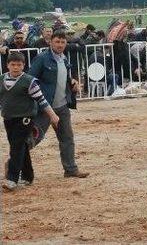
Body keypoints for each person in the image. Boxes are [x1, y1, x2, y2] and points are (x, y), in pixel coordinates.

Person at [29, 30, 89, 178]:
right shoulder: (42, 59)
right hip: (45, 108)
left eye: (63, 42)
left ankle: (70, 170)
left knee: (67, 138)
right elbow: (30, 80)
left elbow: (64, 79)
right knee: (34, 138)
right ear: (51, 42)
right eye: (57, 41)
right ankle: (13, 163)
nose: (60, 45)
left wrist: (73, 83)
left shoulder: (64, 59)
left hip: (62, 107)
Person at [1, 52, 60, 191]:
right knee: (21, 147)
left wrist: (53, 116)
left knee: (16, 146)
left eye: (19, 65)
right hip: (9, 118)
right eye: (13, 65)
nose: (16, 67)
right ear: (7, 65)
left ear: (24, 66)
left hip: (25, 118)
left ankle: (12, 179)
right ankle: (28, 176)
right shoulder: (1, 80)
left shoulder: (29, 81)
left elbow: (42, 100)